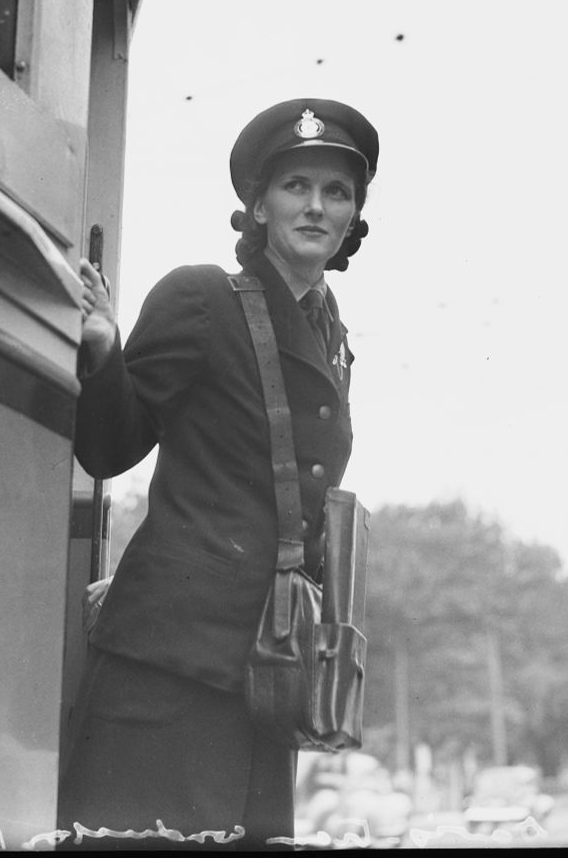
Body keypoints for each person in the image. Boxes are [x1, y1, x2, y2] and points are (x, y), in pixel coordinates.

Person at [58, 98, 379, 851]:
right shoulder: (202, 297)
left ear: (353, 217)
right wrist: (103, 349)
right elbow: (110, 448)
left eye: (337, 192)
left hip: (270, 684)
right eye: (296, 185)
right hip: (169, 674)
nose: (316, 205)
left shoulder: (331, 337)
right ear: (259, 204)